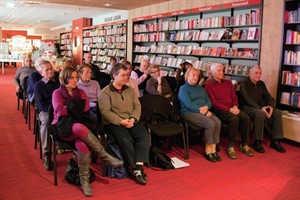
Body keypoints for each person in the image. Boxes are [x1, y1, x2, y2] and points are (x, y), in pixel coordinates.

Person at [52, 67, 123, 197]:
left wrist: (70, 106)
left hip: (80, 127)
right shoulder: (57, 93)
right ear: (65, 78)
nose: (75, 80)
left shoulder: (80, 91)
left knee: (82, 144)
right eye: (72, 78)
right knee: (78, 127)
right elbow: (59, 111)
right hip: (64, 128)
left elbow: (85, 109)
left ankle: (84, 181)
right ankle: (105, 156)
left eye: (75, 77)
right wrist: (75, 107)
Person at [99, 63, 150, 185]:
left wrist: (133, 118)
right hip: (113, 123)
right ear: (114, 76)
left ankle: (138, 167)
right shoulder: (105, 93)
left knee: (143, 135)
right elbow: (105, 112)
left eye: (127, 75)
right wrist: (121, 121)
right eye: (123, 75)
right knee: (125, 139)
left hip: (130, 120)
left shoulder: (130, 90)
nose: (126, 78)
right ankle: (132, 166)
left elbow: (137, 106)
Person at [205, 63, 254, 159]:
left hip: (232, 108)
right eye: (218, 70)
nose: (221, 72)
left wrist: (235, 106)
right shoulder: (209, 85)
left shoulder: (228, 83)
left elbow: (234, 97)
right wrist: (229, 109)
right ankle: (230, 146)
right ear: (212, 72)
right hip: (219, 110)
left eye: (222, 70)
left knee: (245, 117)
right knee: (234, 119)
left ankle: (244, 144)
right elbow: (214, 103)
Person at [239, 65, 286, 153]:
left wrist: (271, 107)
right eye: (256, 73)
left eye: (260, 73)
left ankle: (275, 140)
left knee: (278, 113)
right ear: (250, 73)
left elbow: (270, 98)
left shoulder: (261, 84)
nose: (258, 75)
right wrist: (261, 108)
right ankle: (257, 141)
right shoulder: (243, 83)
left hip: (261, 107)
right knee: (260, 113)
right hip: (247, 107)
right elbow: (248, 100)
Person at [178, 68, 221, 162]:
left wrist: (206, 107)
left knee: (217, 122)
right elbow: (188, 104)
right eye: (193, 75)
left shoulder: (200, 88)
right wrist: (204, 111)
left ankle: (213, 149)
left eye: (197, 75)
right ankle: (208, 151)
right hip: (189, 113)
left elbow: (208, 101)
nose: (195, 77)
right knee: (210, 124)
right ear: (187, 76)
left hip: (203, 111)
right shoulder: (183, 89)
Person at [34, 60, 60, 169]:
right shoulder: (38, 86)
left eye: (51, 68)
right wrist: (53, 112)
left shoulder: (58, 83)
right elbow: (41, 105)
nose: (50, 71)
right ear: (41, 72)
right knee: (45, 121)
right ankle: (47, 153)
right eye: (47, 70)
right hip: (45, 111)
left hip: (58, 109)